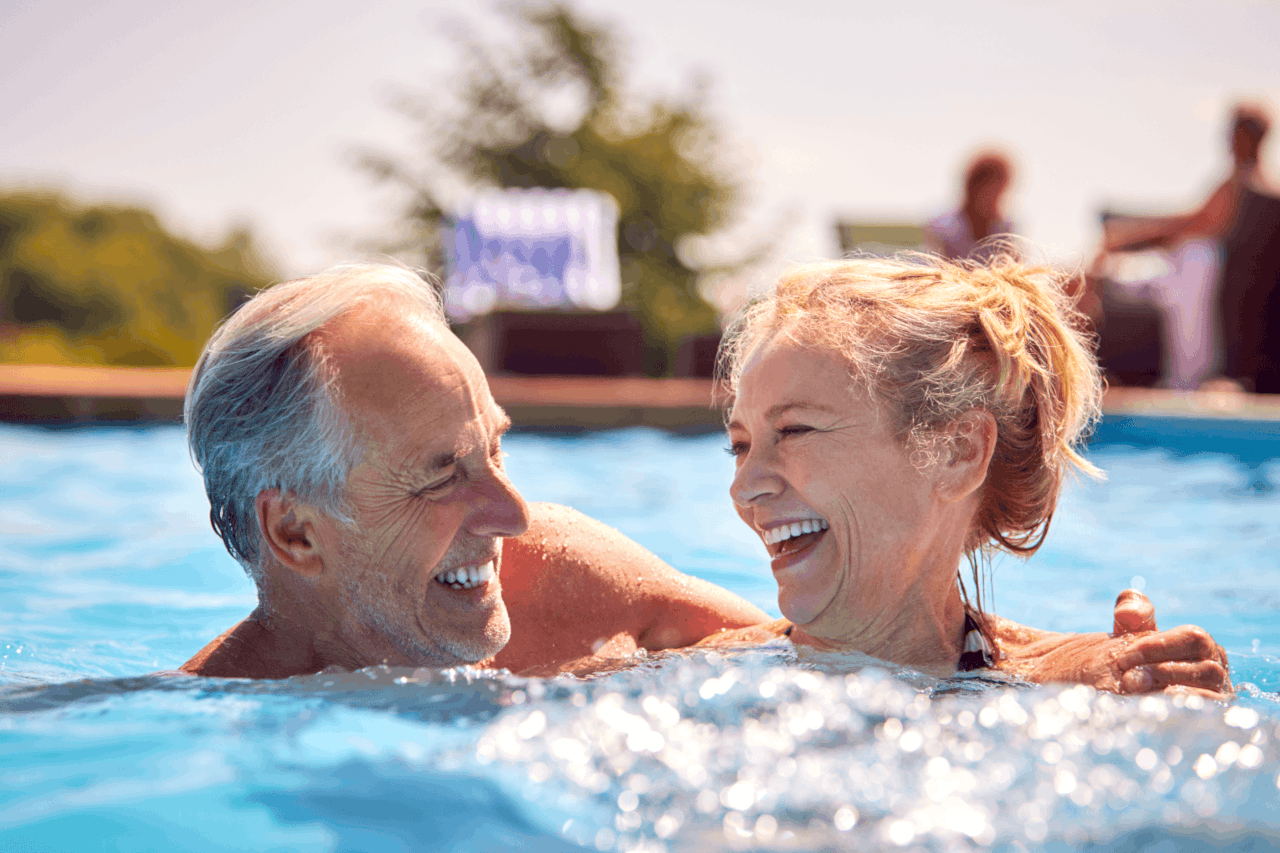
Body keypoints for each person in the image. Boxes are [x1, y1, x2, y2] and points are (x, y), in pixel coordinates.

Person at [181, 263, 1226, 694]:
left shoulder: (542, 581)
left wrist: (1053, 676)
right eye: (439, 472)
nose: (507, 513)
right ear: (297, 537)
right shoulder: (188, 717)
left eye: (494, 448)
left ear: (956, 448)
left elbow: (847, 644)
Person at [701, 253, 1229, 694]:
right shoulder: (701, 672)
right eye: (741, 447)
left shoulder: (1070, 687)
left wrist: (1172, 693)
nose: (744, 487)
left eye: (793, 432)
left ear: (957, 453)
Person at [1103, 103, 1280, 392]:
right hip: (1247, 328)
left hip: (1222, 318)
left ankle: (1185, 378)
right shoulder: (1267, 191)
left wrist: (1120, 241)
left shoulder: (1237, 190)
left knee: (1195, 255)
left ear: (1239, 138)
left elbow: (1186, 228)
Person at [924, 151, 1016, 264]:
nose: (996, 198)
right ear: (973, 187)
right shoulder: (943, 227)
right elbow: (935, 267)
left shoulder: (1005, 230)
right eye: (989, 190)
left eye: (1001, 191)